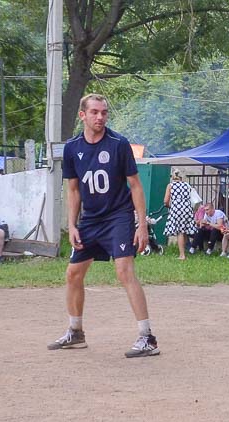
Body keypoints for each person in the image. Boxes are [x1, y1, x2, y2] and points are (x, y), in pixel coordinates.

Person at [47, 93, 159, 358]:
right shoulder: (73, 148)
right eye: (95, 112)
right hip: (90, 220)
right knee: (73, 274)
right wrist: (71, 225)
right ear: (82, 115)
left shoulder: (118, 144)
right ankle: (75, 333)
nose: (100, 117)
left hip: (118, 216)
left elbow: (135, 185)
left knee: (124, 271)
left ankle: (147, 338)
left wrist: (140, 225)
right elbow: (73, 190)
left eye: (104, 112)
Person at [163, 169, 199, 260]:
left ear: (172, 176)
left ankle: (182, 255)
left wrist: (169, 205)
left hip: (177, 209)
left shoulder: (170, 185)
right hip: (187, 209)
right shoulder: (187, 185)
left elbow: (166, 201)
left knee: (180, 232)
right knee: (185, 231)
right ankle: (186, 250)